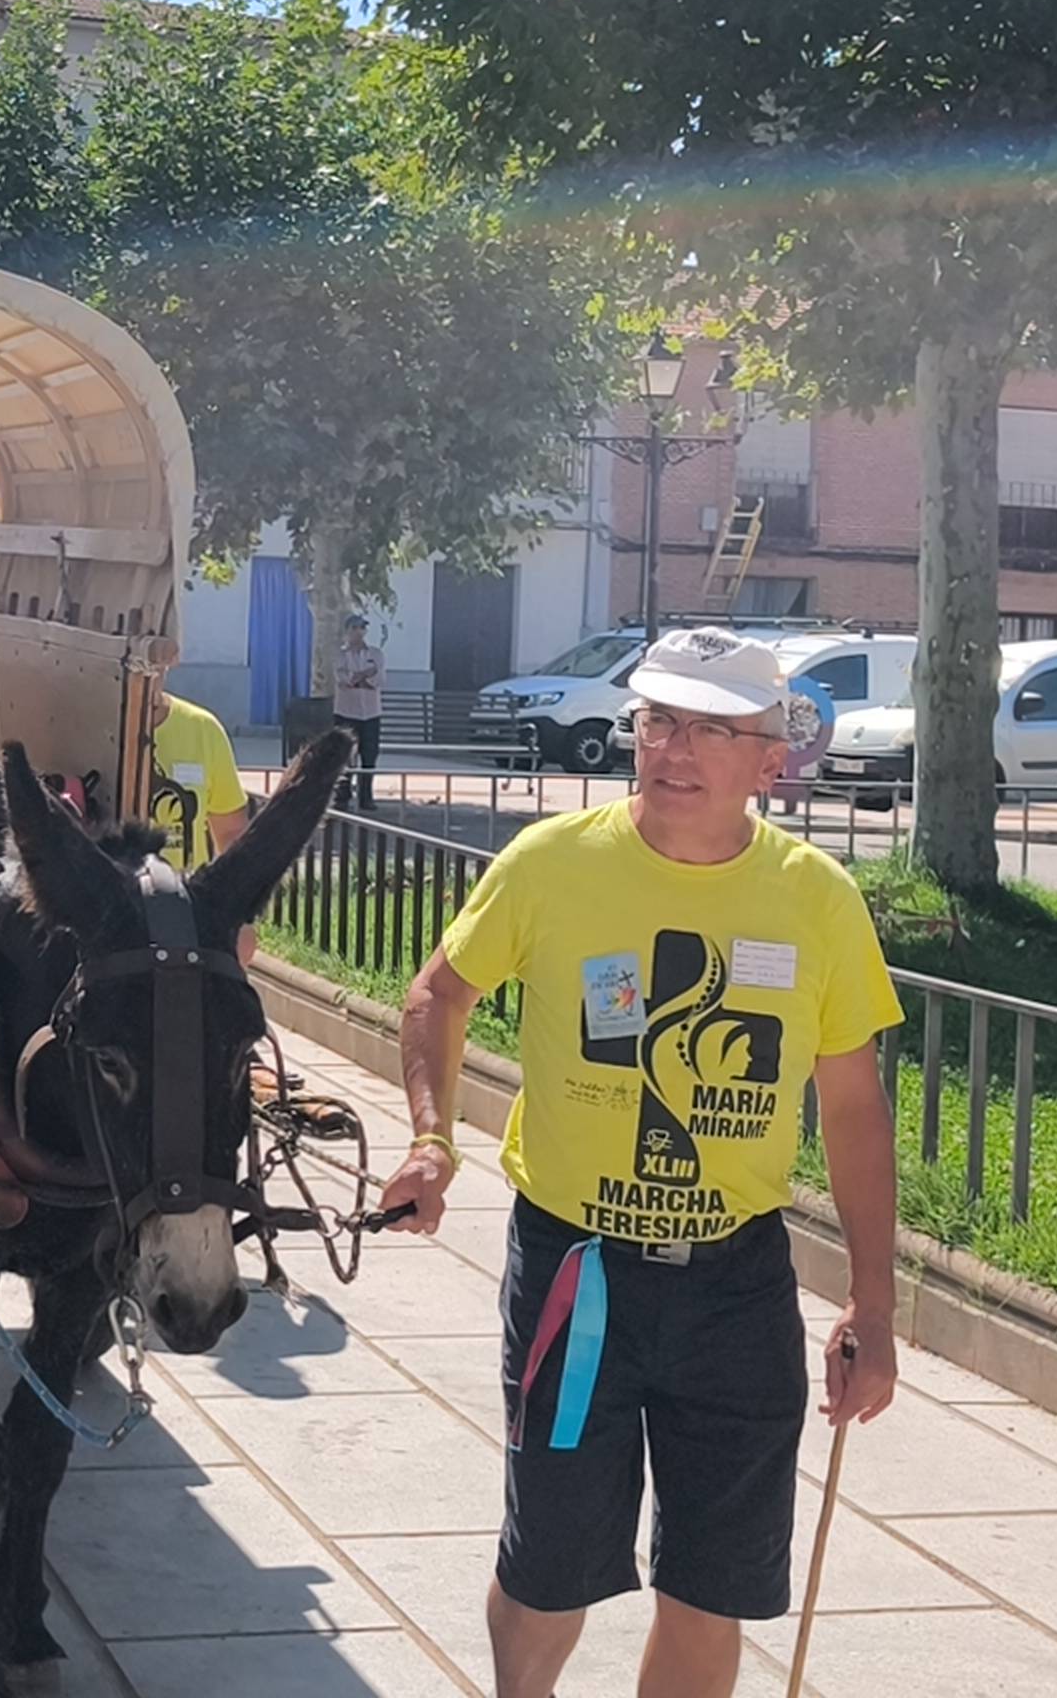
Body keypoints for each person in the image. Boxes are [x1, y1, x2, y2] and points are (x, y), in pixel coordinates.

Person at [371, 627, 903, 1698]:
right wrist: (432, 1139)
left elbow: (851, 1106)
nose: (674, 749)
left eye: (713, 729)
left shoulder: (817, 900)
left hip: (738, 1290)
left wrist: (875, 1308)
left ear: (772, 761)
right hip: (580, 1272)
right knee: (551, 1566)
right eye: (660, 720)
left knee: (716, 1586)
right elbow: (438, 993)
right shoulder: (552, 866)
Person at [145, 686, 251, 866]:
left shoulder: (204, 728)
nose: (148, 663)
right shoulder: (87, 727)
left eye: (160, 656)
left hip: (186, 890)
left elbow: (231, 834)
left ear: (175, 658)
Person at [331, 613, 390, 811]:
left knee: (370, 755)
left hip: (371, 713)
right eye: (354, 628)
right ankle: (343, 796)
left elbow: (379, 681)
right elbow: (343, 680)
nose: (359, 632)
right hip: (346, 712)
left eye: (362, 628)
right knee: (345, 755)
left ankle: (366, 797)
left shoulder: (376, 654)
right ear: (347, 631)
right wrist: (364, 676)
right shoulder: (340, 655)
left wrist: (362, 679)